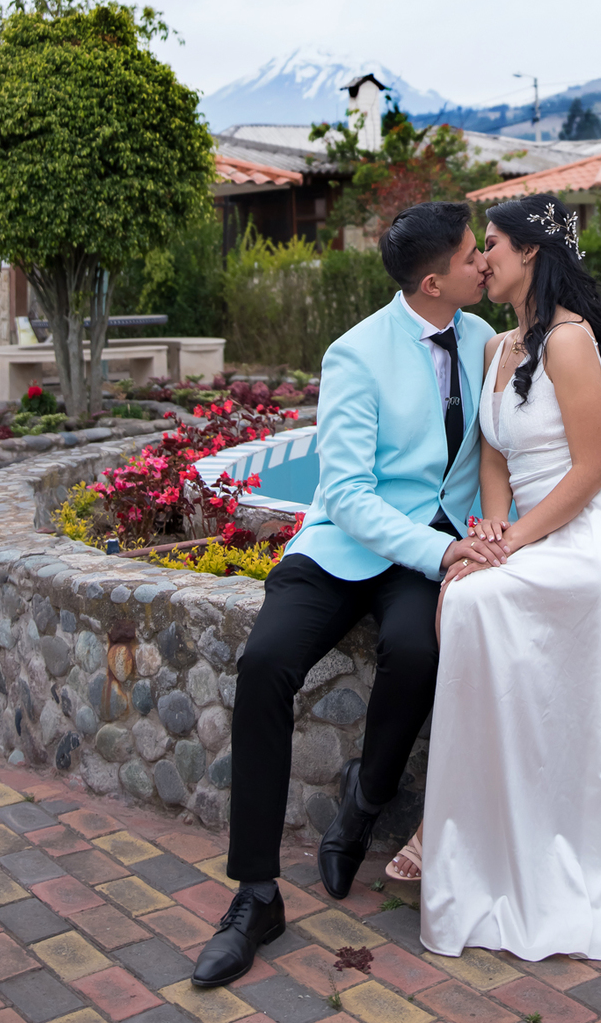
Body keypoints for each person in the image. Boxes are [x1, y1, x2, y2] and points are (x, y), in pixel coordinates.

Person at [192, 201, 500, 988]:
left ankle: (363, 805)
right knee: (264, 664)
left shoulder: (483, 339)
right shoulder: (355, 354)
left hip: (423, 553)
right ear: (433, 283)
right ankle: (255, 895)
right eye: (473, 254)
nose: (484, 262)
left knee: (418, 650)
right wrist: (443, 551)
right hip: (344, 545)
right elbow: (351, 496)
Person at [390, 193, 601, 961]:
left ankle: (447, 824)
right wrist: (490, 531)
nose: (480, 258)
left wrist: (513, 539)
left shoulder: (570, 340)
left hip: (596, 532)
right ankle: (471, 823)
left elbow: (591, 470)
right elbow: (494, 456)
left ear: (530, 253)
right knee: (465, 592)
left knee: (474, 601)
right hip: (534, 529)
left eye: (490, 244)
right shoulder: (499, 347)